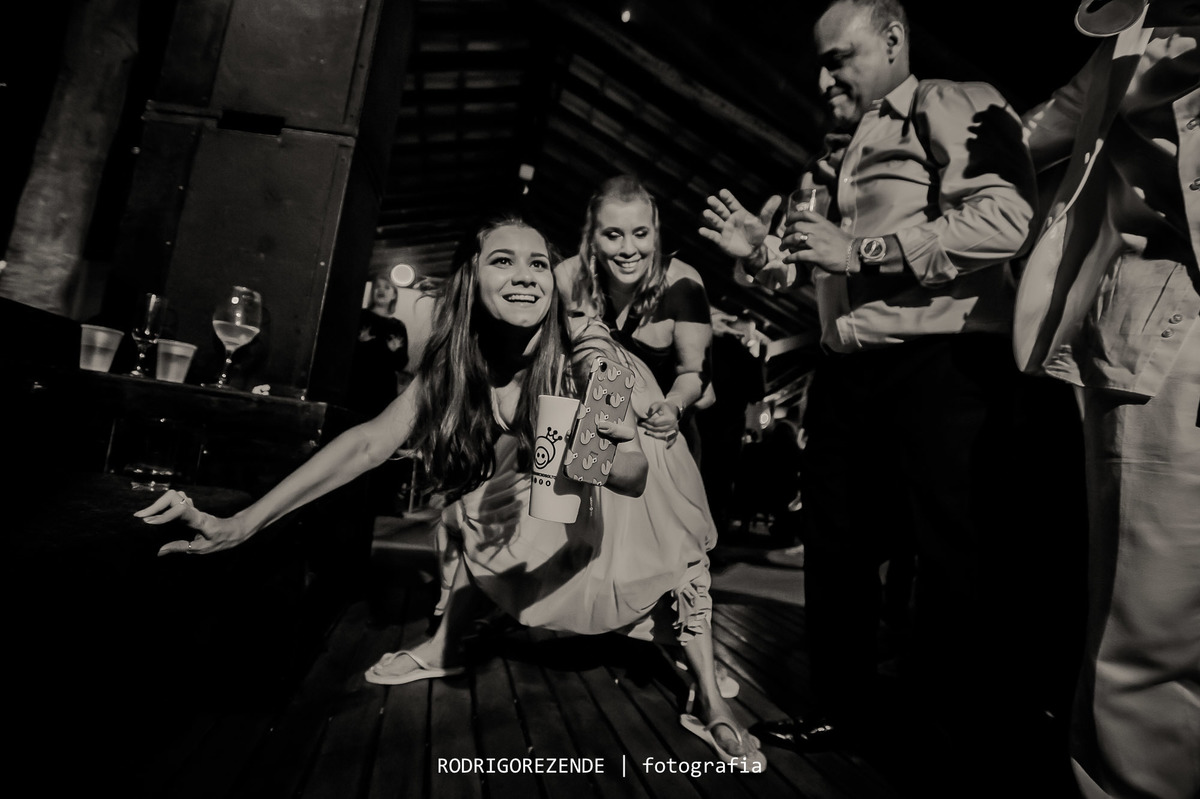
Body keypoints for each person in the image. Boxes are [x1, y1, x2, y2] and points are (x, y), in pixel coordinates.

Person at [137, 216, 765, 768]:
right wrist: (241, 523)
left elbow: (632, 475)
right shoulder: (460, 360)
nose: (527, 277)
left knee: (672, 553)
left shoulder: (586, 350)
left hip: (635, 457)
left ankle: (706, 693)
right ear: (471, 280)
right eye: (504, 260)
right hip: (560, 464)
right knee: (473, 513)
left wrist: (586, 455)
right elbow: (368, 443)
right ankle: (445, 647)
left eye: (539, 264)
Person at [699, 0, 1037, 782]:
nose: (821, 78)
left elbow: (1004, 220)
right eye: (819, 61)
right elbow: (808, 266)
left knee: (954, 557)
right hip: (847, 371)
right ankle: (842, 704)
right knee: (838, 548)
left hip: (942, 367)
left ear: (892, 40)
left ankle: (952, 730)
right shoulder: (837, 153)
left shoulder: (951, 101)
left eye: (837, 57)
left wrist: (863, 247)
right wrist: (761, 258)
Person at [1015, 2, 1199, 797]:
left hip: (1161, 335)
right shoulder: (1130, 39)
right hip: (1163, 340)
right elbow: (1037, 131)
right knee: (1146, 631)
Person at [556, 175, 714, 463]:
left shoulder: (684, 284)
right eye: (613, 235)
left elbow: (695, 372)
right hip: (592, 440)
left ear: (654, 234)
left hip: (661, 440)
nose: (628, 249)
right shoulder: (568, 279)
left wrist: (673, 406)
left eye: (640, 234)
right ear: (592, 237)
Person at [347, 275, 410, 417]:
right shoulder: (360, 316)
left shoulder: (398, 326)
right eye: (377, 287)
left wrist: (393, 352)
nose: (381, 290)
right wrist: (360, 343)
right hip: (357, 387)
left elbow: (401, 364)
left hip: (382, 392)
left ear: (394, 294)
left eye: (387, 287)